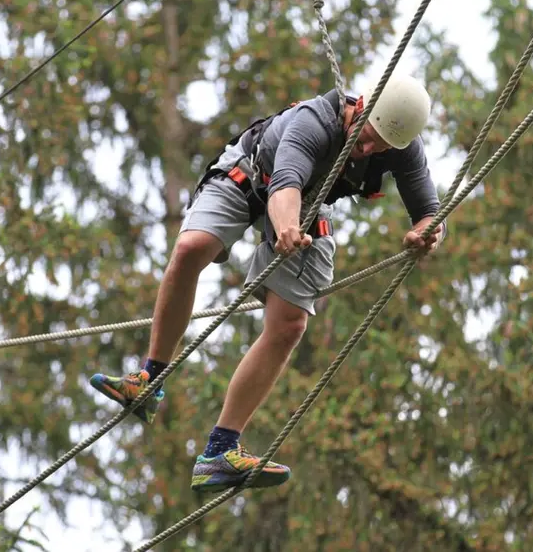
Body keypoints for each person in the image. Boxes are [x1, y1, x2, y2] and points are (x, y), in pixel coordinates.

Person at [90, 73, 446, 493]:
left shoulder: (402, 147)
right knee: (190, 249)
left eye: (379, 148)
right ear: (361, 104)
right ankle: (149, 380)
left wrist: (426, 235)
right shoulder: (315, 122)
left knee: (290, 324)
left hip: (311, 207)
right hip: (253, 176)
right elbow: (285, 185)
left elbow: (430, 212)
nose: (368, 150)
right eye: (366, 138)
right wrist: (286, 226)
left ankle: (220, 451)